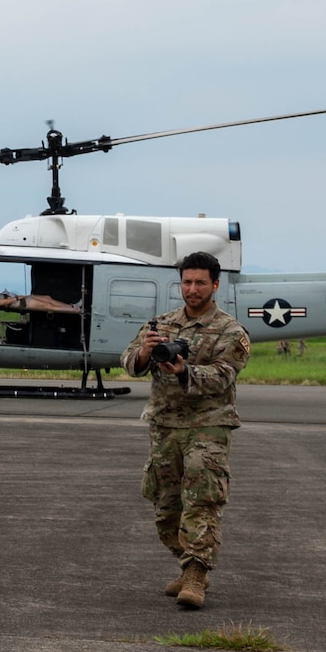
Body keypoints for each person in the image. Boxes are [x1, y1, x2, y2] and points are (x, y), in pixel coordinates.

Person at [120, 251, 250, 609]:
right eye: (187, 282)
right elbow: (129, 361)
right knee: (166, 508)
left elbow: (224, 375)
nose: (192, 289)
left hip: (208, 427)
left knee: (201, 502)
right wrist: (146, 353)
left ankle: (195, 574)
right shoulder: (161, 324)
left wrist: (184, 371)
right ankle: (189, 561)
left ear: (215, 285)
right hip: (164, 427)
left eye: (200, 283)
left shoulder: (231, 331)